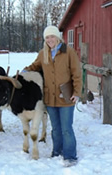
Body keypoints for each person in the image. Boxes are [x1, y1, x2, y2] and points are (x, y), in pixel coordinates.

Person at [23, 25, 82, 167]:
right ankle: (57, 152)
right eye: (47, 37)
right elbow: (35, 66)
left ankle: (70, 156)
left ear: (58, 37)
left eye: (52, 36)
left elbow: (77, 74)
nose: (50, 40)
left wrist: (77, 93)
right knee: (55, 128)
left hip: (66, 96)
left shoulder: (69, 52)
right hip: (50, 98)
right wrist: (24, 72)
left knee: (66, 128)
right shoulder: (44, 53)